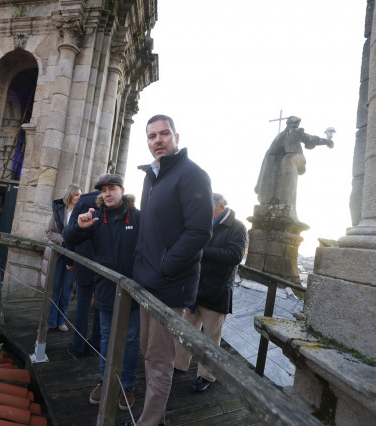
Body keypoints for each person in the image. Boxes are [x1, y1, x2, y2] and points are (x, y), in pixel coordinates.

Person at [127, 114, 213, 426]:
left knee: (160, 361)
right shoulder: (152, 178)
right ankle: (154, 418)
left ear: (176, 136)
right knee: (149, 356)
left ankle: (149, 423)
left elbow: (200, 231)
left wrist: (164, 267)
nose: (158, 140)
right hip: (147, 282)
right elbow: (149, 231)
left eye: (164, 134)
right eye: (152, 136)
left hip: (168, 285)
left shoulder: (192, 175)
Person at [63, 174, 141, 411]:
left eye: (112, 188)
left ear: (122, 190)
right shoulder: (96, 217)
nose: (107, 193)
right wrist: (78, 226)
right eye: (103, 190)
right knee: (106, 337)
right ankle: (105, 380)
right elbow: (68, 239)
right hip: (106, 288)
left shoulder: (137, 218)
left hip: (133, 291)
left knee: (130, 339)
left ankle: (126, 384)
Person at [174, 193, 247, 392]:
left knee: (211, 338)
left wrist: (201, 250)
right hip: (194, 288)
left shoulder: (238, 227)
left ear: (220, 208)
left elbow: (235, 256)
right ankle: (178, 364)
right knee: (185, 330)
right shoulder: (203, 223)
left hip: (216, 291)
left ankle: (206, 376)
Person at [254, 116, 334, 220]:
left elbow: (310, 139)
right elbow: (311, 139)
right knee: (284, 189)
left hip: (271, 160)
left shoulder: (281, 135)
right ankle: (282, 206)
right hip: (282, 161)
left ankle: (275, 205)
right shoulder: (295, 132)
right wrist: (327, 141)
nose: (296, 126)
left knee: (274, 189)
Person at [64, 187, 102, 360]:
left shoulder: (84, 201)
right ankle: (95, 344)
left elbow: (71, 232)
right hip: (104, 261)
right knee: (100, 306)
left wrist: (69, 260)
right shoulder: (114, 202)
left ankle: (78, 347)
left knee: (83, 304)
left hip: (83, 258)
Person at [42, 184, 82, 332]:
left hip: (72, 256)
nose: (79, 197)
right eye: (77, 194)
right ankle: (51, 321)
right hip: (58, 255)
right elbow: (49, 232)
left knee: (67, 289)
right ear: (70, 195)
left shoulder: (81, 213)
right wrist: (64, 239)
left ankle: (61, 320)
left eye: (80, 195)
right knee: (55, 288)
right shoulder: (59, 210)